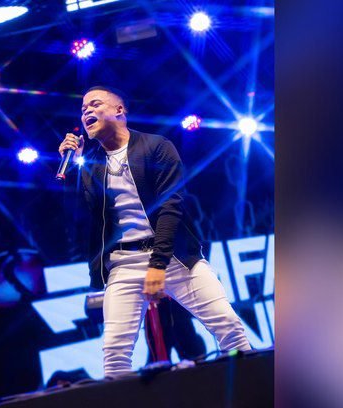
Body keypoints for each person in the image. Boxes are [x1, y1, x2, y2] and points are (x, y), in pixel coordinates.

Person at [58, 86, 251, 378]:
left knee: (229, 328)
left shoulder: (156, 146)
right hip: (124, 263)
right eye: (83, 109)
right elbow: (78, 217)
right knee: (115, 356)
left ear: (119, 110)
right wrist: (73, 165)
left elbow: (171, 207)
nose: (86, 112)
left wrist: (158, 264)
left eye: (94, 104)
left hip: (173, 256)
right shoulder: (92, 164)